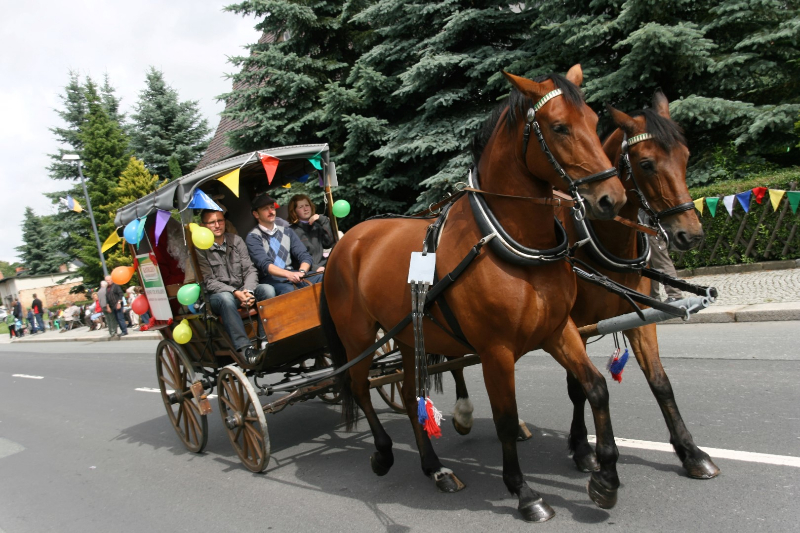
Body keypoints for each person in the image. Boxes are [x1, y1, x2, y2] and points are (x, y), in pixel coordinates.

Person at [196, 208, 276, 362]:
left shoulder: (236, 241)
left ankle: (265, 341)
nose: (217, 225)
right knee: (226, 299)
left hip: (242, 290)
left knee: (267, 290)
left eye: (220, 220)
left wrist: (249, 290)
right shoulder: (200, 249)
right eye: (212, 222)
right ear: (203, 226)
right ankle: (245, 349)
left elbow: (250, 269)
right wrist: (235, 292)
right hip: (217, 297)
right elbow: (209, 281)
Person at [246, 193, 316, 296]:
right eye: (265, 209)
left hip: (293, 274)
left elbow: (304, 255)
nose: (271, 211)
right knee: (290, 290)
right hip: (271, 279)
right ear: (256, 214)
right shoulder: (253, 237)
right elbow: (265, 265)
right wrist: (289, 274)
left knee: (322, 277)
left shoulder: (287, 231)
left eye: (272, 207)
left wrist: (302, 272)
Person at [288, 194, 335, 272]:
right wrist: (315, 268)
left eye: (307, 205)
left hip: (324, 266)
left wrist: (323, 221)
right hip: (307, 271)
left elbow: (329, 243)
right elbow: (296, 259)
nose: (305, 209)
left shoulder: (317, 226)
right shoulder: (291, 231)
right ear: (294, 211)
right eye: (301, 207)